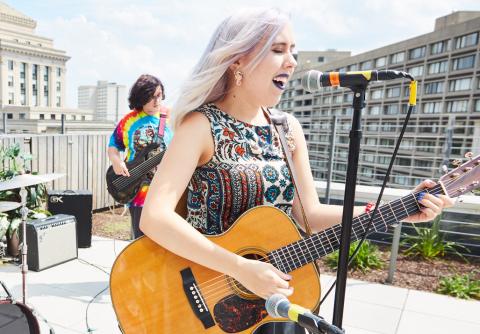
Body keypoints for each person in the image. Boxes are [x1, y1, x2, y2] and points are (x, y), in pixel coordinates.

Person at [140, 8, 453, 334]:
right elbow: (155, 217)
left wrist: (398, 211)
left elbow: (309, 215)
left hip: (274, 307)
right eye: (278, 50)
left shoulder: (287, 128)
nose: (291, 62)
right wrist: (240, 267)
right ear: (237, 60)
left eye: (294, 52)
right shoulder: (199, 125)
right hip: (203, 300)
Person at [108, 74, 173, 239]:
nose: (156, 101)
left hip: (166, 191)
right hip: (139, 192)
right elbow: (113, 147)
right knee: (141, 241)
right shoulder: (128, 122)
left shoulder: (169, 118)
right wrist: (116, 162)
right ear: (141, 98)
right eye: (151, 97)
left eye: (159, 96)